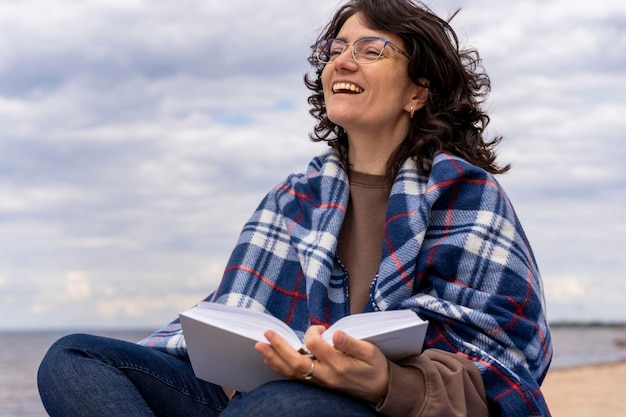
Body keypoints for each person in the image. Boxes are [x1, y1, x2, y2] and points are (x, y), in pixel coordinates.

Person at [37, 0, 552, 416]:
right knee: (73, 357)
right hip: (259, 398)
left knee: (282, 404)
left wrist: (384, 382)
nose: (342, 61)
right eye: (336, 47)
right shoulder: (292, 198)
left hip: (376, 409)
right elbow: (231, 326)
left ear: (418, 91)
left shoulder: (469, 196)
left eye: (371, 49)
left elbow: (494, 366)